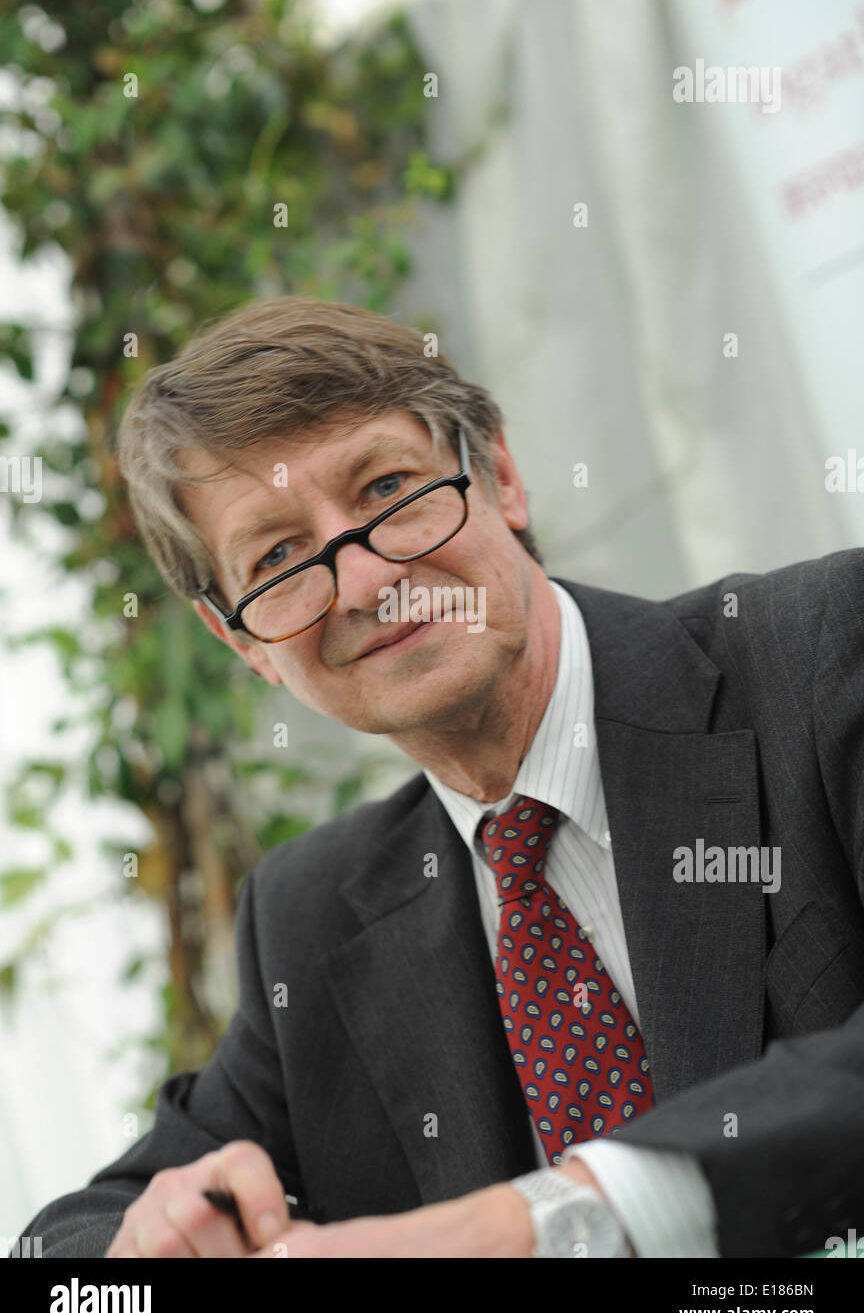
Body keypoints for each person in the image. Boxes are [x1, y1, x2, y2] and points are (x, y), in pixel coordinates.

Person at [12, 296, 864, 1259]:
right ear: (241, 639)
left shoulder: (827, 656)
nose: (368, 581)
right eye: (282, 555)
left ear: (498, 474)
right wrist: (152, 1248)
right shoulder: (311, 916)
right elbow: (66, 1247)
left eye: (386, 489)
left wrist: (539, 1225)